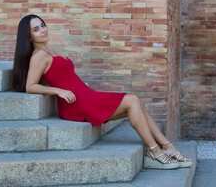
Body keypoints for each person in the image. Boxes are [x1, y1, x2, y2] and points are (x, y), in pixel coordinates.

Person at [12, 14, 192, 169]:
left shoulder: (49, 50)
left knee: (135, 102)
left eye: (42, 25)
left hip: (87, 96)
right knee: (132, 101)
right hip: (77, 104)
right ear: (28, 37)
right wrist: (58, 91)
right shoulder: (39, 56)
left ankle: (168, 147)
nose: (42, 30)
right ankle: (154, 151)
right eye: (36, 29)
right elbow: (30, 86)